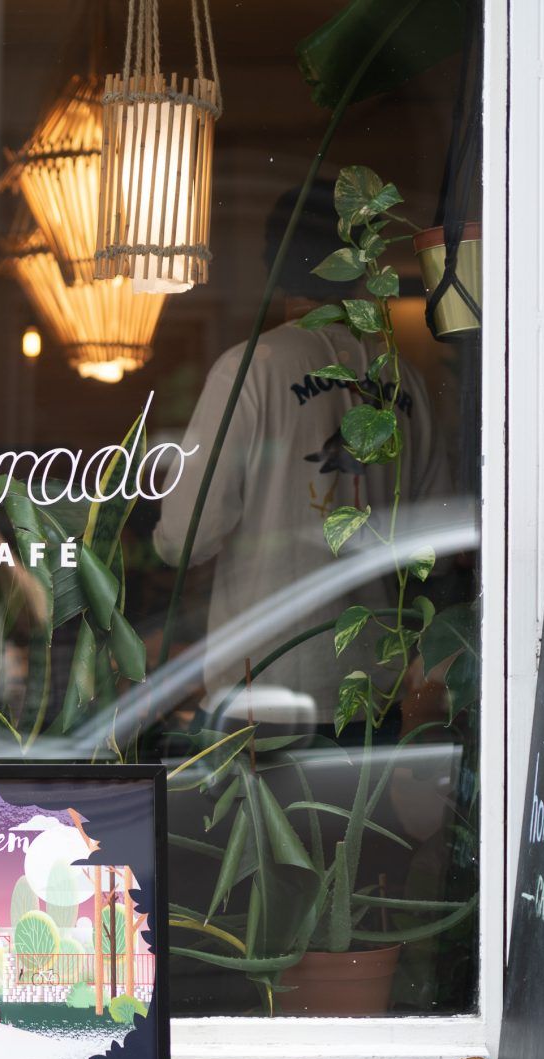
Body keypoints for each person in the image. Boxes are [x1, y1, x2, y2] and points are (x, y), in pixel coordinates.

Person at [152, 181, 452, 712]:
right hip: (374, 693)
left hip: (265, 688)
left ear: (271, 266)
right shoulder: (404, 379)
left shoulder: (250, 371)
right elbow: (437, 552)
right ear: (358, 266)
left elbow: (184, 539)